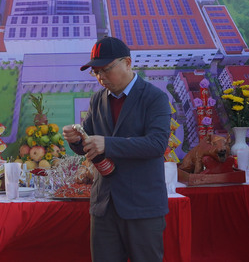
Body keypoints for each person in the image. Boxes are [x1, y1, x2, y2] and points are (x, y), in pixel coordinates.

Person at [62, 36, 171, 262]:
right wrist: (76, 139)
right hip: (104, 206)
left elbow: (157, 144)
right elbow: (88, 143)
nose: (101, 77)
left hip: (142, 206)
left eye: (106, 69)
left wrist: (108, 143)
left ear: (127, 63)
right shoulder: (97, 100)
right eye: (96, 72)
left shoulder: (155, 97)